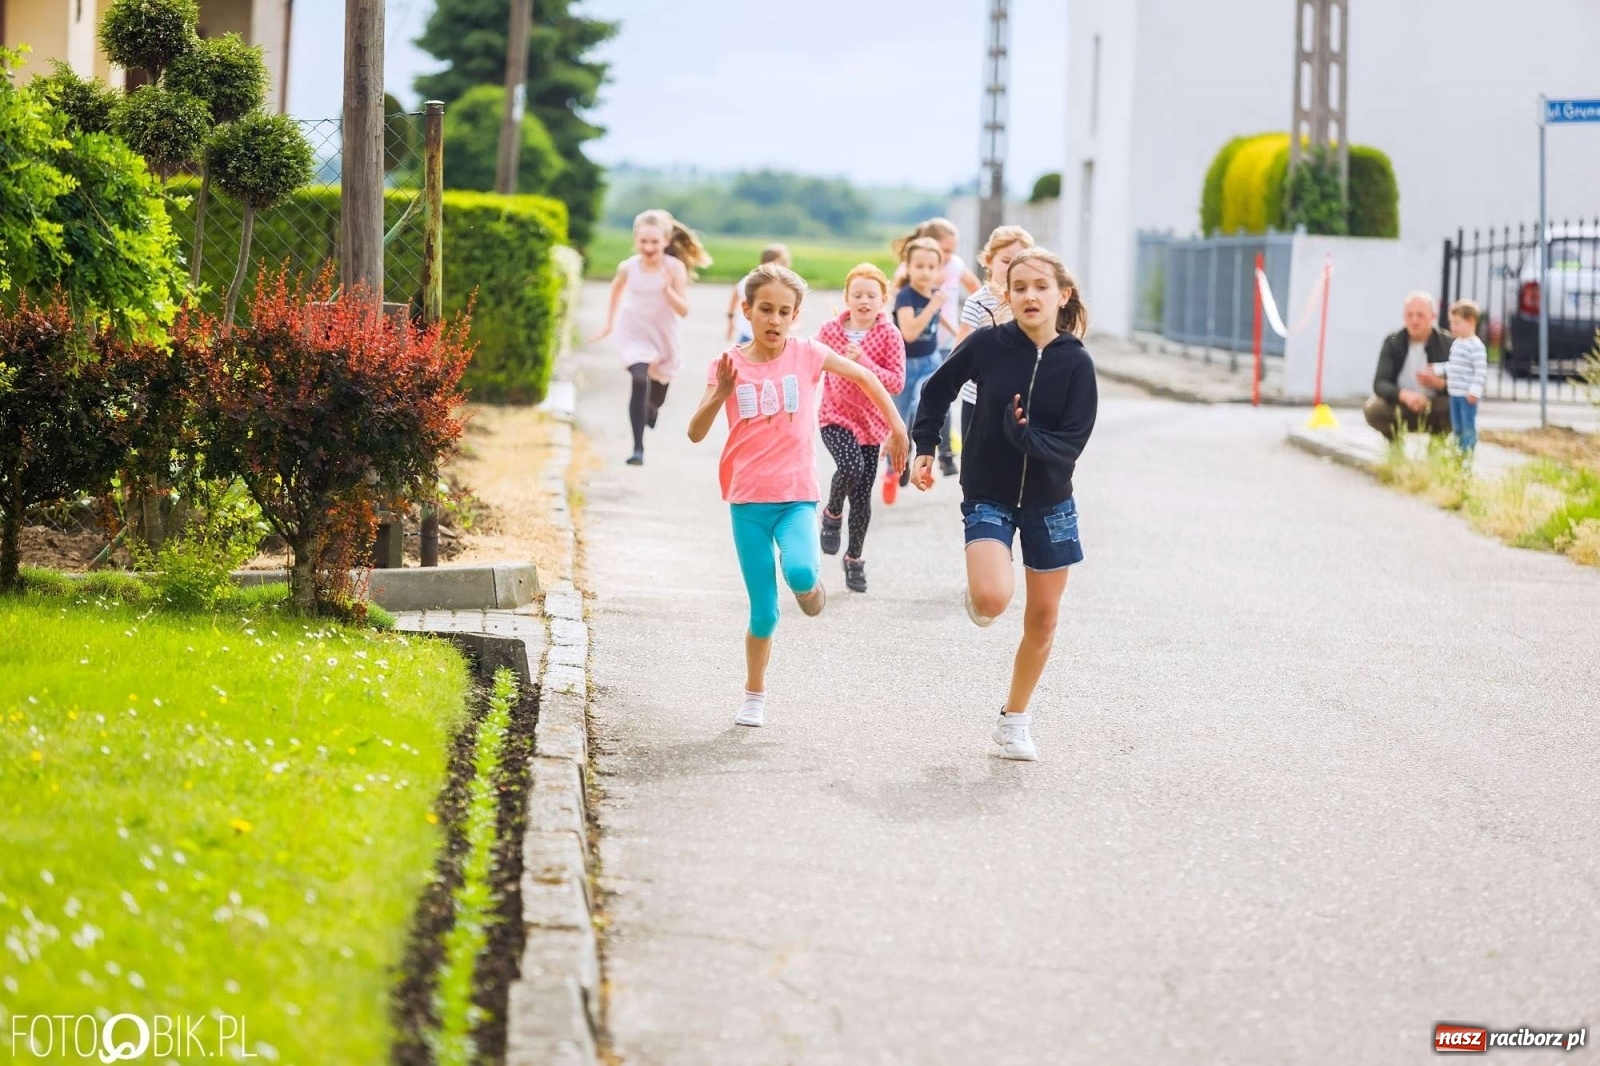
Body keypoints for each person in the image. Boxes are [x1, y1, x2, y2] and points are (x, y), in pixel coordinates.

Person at [687, 264, 908, 728]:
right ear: (746, 309)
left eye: (783, 312)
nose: (773, 319)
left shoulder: (807, 354)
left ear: (796, 316)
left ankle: (812, 589)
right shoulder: (726, 364)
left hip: (794, 498)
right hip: (747, 503)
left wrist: (898, 428)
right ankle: (753, 694)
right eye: (764, 309)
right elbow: (695, 431)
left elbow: (868, 379)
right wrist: (719, 393)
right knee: (763, 612)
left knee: (803, 571)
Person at [910, 248, 1097, 762]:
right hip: (989, 492)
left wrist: (1026, 438)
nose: (1030, 295)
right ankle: (981, 591)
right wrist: (924, 446)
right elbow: (935, 389)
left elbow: (1071, 443)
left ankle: (1014, 721)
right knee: (993, 600)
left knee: (1043, 619)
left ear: (1063, 296)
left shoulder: (1077, 363)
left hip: (1051, 503)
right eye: (1019, 288)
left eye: (1041, 286)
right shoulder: (989, 345)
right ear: (1007, 296)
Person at [592, 208, 713, 466]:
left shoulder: (675, 268)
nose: (648, 247)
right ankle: (638, 448)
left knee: (656, 396)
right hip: (633, 330)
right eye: (643, 241)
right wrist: (609, 323)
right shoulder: (628, 267)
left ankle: (652, 408)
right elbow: (616, 288)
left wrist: (668, 290)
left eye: (654, 241)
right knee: (638, 380)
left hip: (663, 335)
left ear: (666, 241)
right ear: (635, 240)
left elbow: (684, 310)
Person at [815, 263, 906, 593]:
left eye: (871, 295)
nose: (864, 301)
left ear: (884, 299)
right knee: (849, 465)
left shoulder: (889, 334)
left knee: (863, 498)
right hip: (834, 416)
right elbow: (808, 363)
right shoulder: (829, 331)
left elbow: (896, 383)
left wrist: (864, 361)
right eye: (857, 295)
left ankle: (854, 559)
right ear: (846, 298)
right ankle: (832, 512)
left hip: (873, 425)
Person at [892, 218, 981, 476]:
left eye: (952, 250)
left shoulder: (954, 266)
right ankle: (901, 458)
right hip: (911, 351)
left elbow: (975, 287)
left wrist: (969, 324)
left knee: (938, 396)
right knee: (907, 408)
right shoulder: (917, 272)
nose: (948, 256)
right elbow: (901, 295)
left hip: (942, 346)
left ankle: (944, 454)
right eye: (945, 250)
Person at [955, 225, 1035, 448]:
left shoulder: (1033, 302)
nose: (1012, 268)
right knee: (976, 467)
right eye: (1006, 261)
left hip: (1021, 398)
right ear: (989, 260)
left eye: (1020, 262)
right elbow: (959, 353)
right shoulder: (977, 302)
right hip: (979, 401)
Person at [890, 236, 948, 489]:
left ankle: (921, 461)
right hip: (903, 366)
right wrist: (934, 304)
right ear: (908, 267)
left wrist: (960, 335)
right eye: (919, 266)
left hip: (930, 363)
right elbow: (910, 332)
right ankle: (893, 471)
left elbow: (941, 323)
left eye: (931, 267)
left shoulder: (936, 295)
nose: (925, 272)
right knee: (898, 424)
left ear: (938, 270)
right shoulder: (905, 296)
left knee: (922, 406)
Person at [1362, 292, 1452, 440]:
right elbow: (1380, 383)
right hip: (1400, 404)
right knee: (1373, 409)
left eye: (1420, 315)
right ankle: (1394, 444)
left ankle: (1436, 447)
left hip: (1434, 405)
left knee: (1456, 406)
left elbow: (1464, 385)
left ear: (1433, 317)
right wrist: (1405, 396)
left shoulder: (1448, 343)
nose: (1414, 320)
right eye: (1409, 315)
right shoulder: (1393, 341)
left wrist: (1439, 384)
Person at [1443, 298, 1488, 453]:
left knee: (1467, 424)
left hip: (1466, 395)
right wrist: (1436, 369)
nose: (1452, 327)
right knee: (1457, 425)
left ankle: (1467, 451)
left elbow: (1480, 370)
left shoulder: (1475, 346)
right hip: (1454, 393)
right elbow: (1453, 365)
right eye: (1452, 322)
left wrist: (1475, 390)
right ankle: (1458, 449)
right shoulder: (1457, 344)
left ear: (1471, 321)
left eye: (1457, 323)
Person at [727, 243, 791, 344]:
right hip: (750, 334)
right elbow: (737, 292)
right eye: (783, 263)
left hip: (766, 334)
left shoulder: (783, 283)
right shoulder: (753, 280)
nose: (786, 266)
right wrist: (731, 318)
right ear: (770, 263)